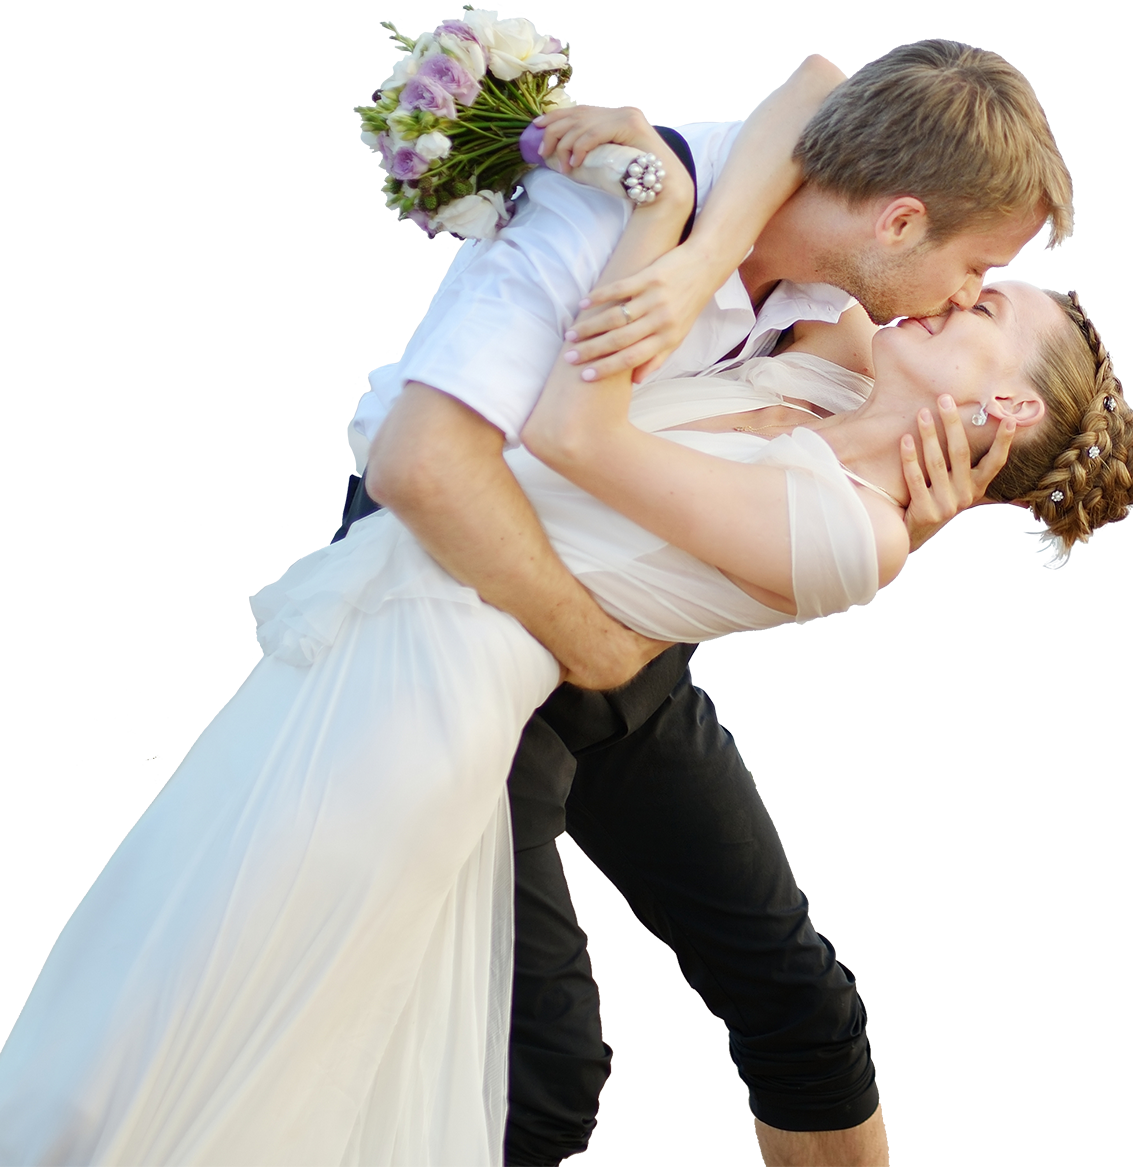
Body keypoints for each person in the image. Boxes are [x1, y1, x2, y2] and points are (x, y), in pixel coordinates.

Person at [358, 42, 1074, 1167]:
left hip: (614, 656)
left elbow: (812, 96)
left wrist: (906, 521)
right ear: (901, 224)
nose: (970, 291)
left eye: (988, 296)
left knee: (803, 1007)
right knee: (536, 1074)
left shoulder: (837, 326)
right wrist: (680, 226)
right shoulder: (617, 229)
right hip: (476, 613)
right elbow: (427, 469)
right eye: (981, 267)